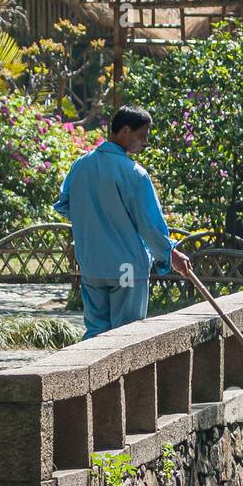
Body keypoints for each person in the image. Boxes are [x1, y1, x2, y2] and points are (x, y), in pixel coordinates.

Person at [54, 105, 192, 338]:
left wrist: (94, 221)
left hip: (92, 264)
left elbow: (65, 205)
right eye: (142, 136)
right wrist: (170, 253)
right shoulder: (134, 173)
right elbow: (149, 225)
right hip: (127, 265)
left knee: (96, 333)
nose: (145, 142)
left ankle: (91, 375)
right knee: (126, 335)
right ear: (125, 131)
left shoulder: (79, 166)